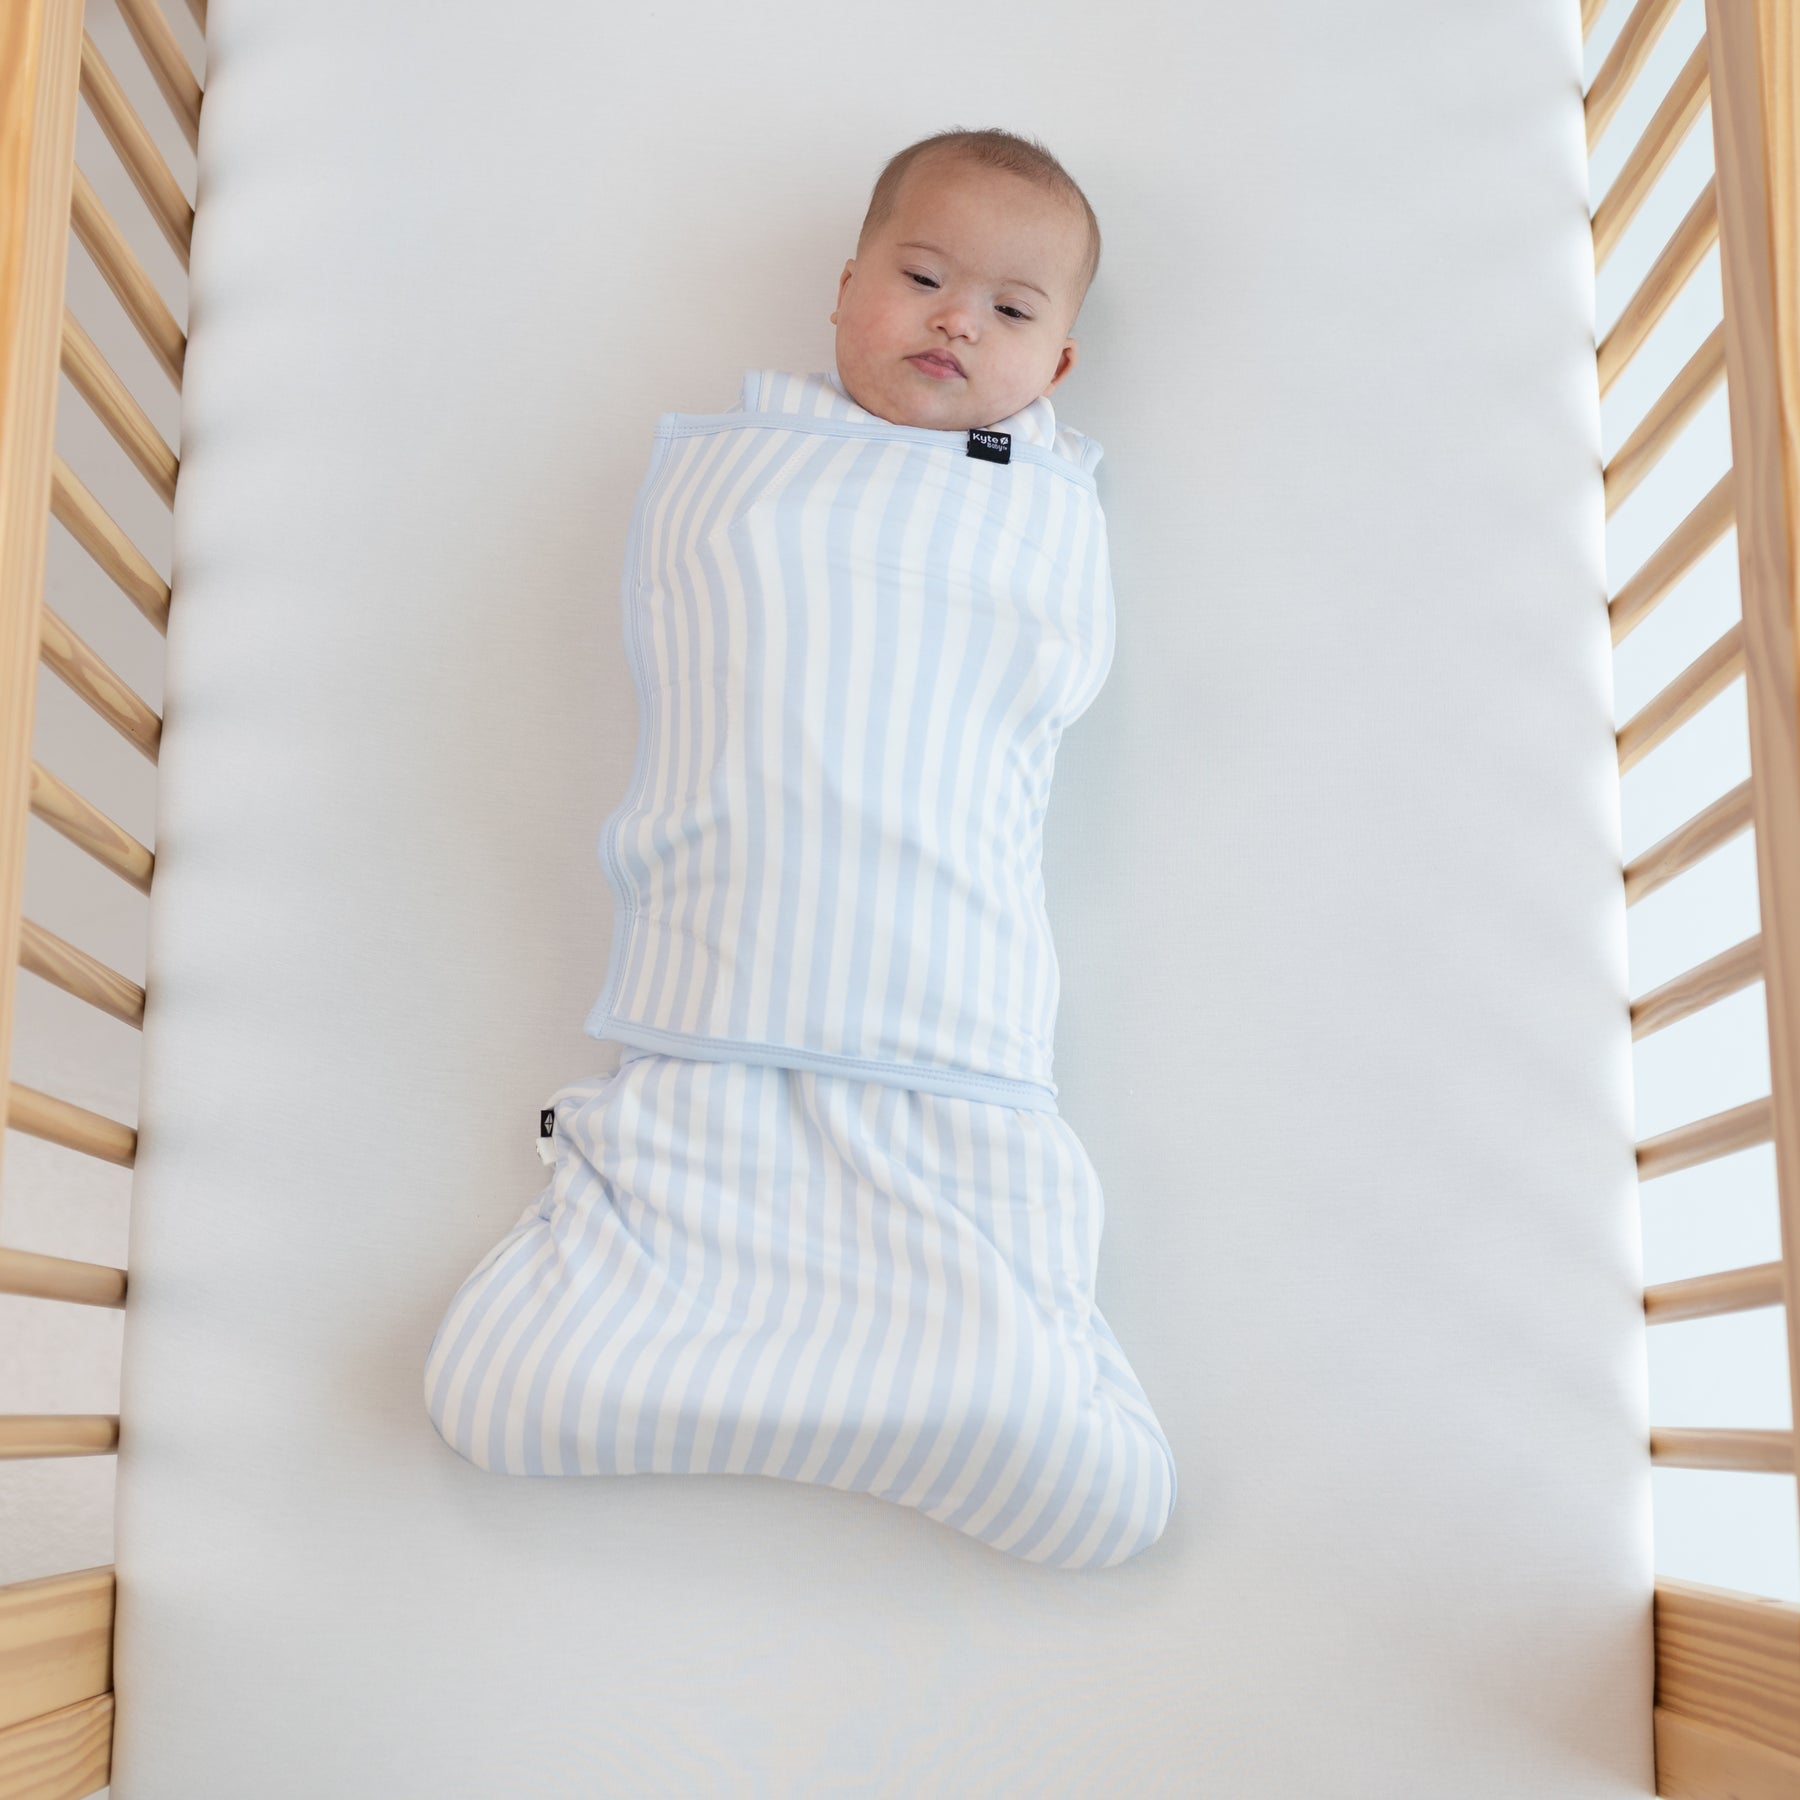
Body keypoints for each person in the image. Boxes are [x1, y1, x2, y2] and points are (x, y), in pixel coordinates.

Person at [424, 128, 1177, 1570]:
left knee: (1109, 1504)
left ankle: (918, 1389)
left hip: (951, 1048)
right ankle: (860, 1395)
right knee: (486, 1391)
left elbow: (1031, 680)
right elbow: (727, 619)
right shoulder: (756, 479)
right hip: (716, 1029)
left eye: (1013, 311)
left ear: (1059, 371)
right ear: (845, 296)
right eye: (923, 276)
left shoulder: (1033, 513)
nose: (960, 317)